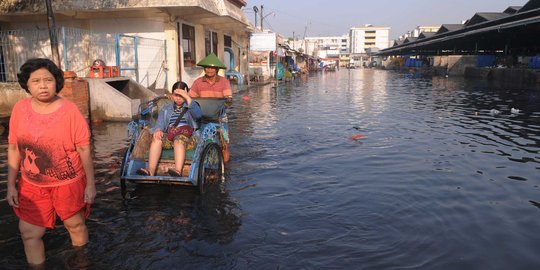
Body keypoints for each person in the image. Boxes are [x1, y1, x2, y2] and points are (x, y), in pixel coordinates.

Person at [6, 58, 96, 266]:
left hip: (68, 183)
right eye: (36, 81)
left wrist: (90, 185)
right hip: (32, 185)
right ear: (27, 84)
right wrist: (10, 185)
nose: (43, 85)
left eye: (48, 80)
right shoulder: (20, 109)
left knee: (75, 225)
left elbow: (84, 149)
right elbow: (13, 147)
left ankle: (82, 262)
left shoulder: (70, 111)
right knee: (29, 233)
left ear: (57, 82)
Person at [137, 81, 202, 177]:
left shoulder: (192, 106)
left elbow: (198, 115)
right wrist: (158, 130)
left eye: (181, 95)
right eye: (176, 95)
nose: (179, 98)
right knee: (157, 138)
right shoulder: (166, 108)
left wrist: (187, 97)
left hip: (189, 138)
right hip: (171, 135)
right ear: (172, 95)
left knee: (179, 139)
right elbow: (160, 124)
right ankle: (150, 171)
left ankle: (178, 171)